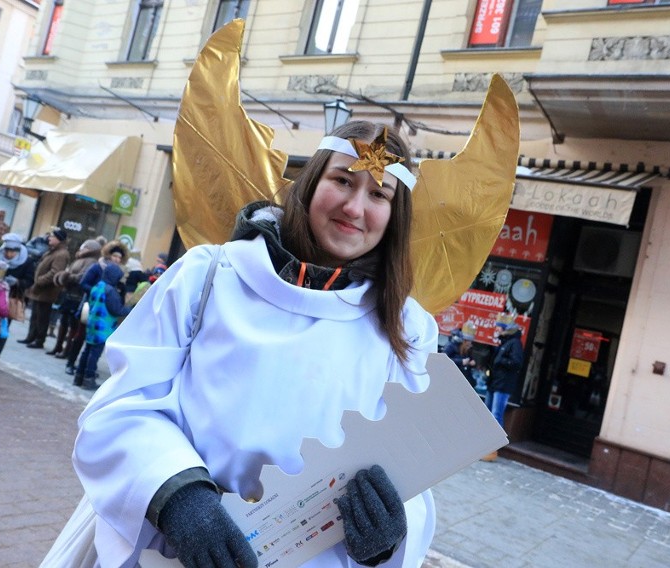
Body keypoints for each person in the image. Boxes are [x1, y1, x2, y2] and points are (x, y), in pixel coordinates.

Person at [65, 122, 438, 568]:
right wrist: (179, 496)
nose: (355, 207)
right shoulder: (207, 276)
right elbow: (123, 405)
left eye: (380, 195)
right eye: (342, 179)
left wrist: (390, 533)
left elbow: (412, 468)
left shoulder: (407, 328)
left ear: (397, 216)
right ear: (312, 179)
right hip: (172, 549)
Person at [64, 239, 128, 375]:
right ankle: (71, 362)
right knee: (81, 335)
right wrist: (98, 292)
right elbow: (83, 283)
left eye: (119, 257)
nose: (116, 259)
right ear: (108, 255)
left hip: (106, 311)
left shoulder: (119, 272)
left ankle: (87, 367)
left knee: (95, 342)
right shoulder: (97, 267)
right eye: (115, 256)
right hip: (91, 305)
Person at [74, 263, 131, 391]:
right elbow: (116, 310)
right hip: (103, 327)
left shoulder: (97, 286)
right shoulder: (110, 291)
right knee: (94, 354)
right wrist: (130, 309)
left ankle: (79, 376)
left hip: (92, 324)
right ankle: (89, 378)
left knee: (87, 350)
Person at [0, 233, 36, 370]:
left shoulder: (27, 261)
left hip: (11, 298)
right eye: (7, 251)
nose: (9, 254)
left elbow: (30, 280)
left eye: (12, 251)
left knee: (3, 328)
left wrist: (17, 282)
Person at [49, 239, 102, 358]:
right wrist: (63, 276)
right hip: (69, 294)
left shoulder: (91, 262)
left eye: (85, 247)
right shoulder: (79, 259)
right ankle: (58, 345)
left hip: (78, 297)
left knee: (73, 325)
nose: (82, 249)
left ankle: (67, 350)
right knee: (63, 321)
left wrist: (67, 276)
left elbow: (82, 277)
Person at [19, 228, 70, 349]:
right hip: (39, 289)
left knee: (42, 317)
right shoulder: (53, 251)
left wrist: (39, 280)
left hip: (46, 290)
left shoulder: (61, 254)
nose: (49, 238)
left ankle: (39, 340)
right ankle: (31, 336)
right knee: (35, 315)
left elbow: (55, 272)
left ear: (59, 239)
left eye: (52, 236)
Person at [485, 317, 524, 431]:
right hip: (494, 382)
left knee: (496, 415)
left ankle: (495, 444)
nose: (498, 330)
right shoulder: (504, 342)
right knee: (486, 414)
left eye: (500, 328)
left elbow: (517, 362)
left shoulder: (515, 343)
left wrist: (500, 361)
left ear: (507, 329)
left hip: (503, 385)